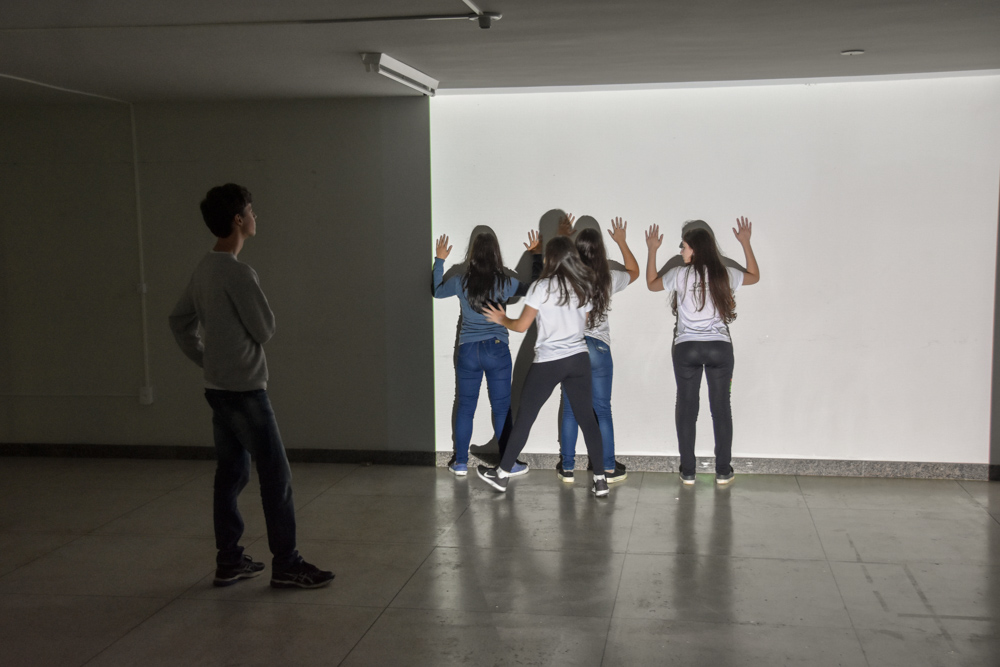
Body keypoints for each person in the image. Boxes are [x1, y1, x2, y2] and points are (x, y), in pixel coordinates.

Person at [169, 183, 334, 589]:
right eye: (251, 210)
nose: (255, 216)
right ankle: (287, 564)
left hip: (218, 388)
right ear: (238, 220)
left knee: (231, 474)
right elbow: (265, 329)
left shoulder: (204, 268)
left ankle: (229, 560)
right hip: (245, 391)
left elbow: (179, 320)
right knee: (276, 475)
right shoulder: (238, 272)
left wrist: (206, 359)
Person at [478, 232, 611, 497]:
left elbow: (521, 326)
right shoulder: (583, 285)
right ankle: (600, 481)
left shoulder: (541, 287)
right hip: (578, 359)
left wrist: (502, 319)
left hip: (549, 361)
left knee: (525, 418)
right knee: (588, 419)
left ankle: (502, 475)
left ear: (551, 258)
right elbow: (584, 322)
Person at [645, 216, 759, 485]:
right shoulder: (723, 273)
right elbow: (754, 276)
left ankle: (688, 471)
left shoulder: (679, 274)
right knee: (721, 408)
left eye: (684, 246)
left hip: (687, 349)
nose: (681, 251)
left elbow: (651, 283)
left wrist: (652, 250)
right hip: (719, 348)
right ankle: (723, 470)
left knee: (687, 408)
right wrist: (746, 242)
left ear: (695, 249)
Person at [432, 228, 542, 476]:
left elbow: (437, 291)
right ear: (495, 254)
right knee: (502, 408)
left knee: (465, 406)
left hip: (468, 350)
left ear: (472, 253)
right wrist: (536, 256)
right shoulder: (505, 282)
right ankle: (508, 464)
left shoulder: (461, 281)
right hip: (496, 349)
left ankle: (460, 463)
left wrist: (439, 259)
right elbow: (534, 289)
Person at [557, 217, 639, 484]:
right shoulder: (608, 278)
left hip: (574, 348)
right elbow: (634, 271)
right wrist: (622, 242)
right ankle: (608, 467)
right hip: (599, 347)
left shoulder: (568, 276)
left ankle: (567, 467)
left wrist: (563, 237)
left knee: (570, 410)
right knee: (602, 410)